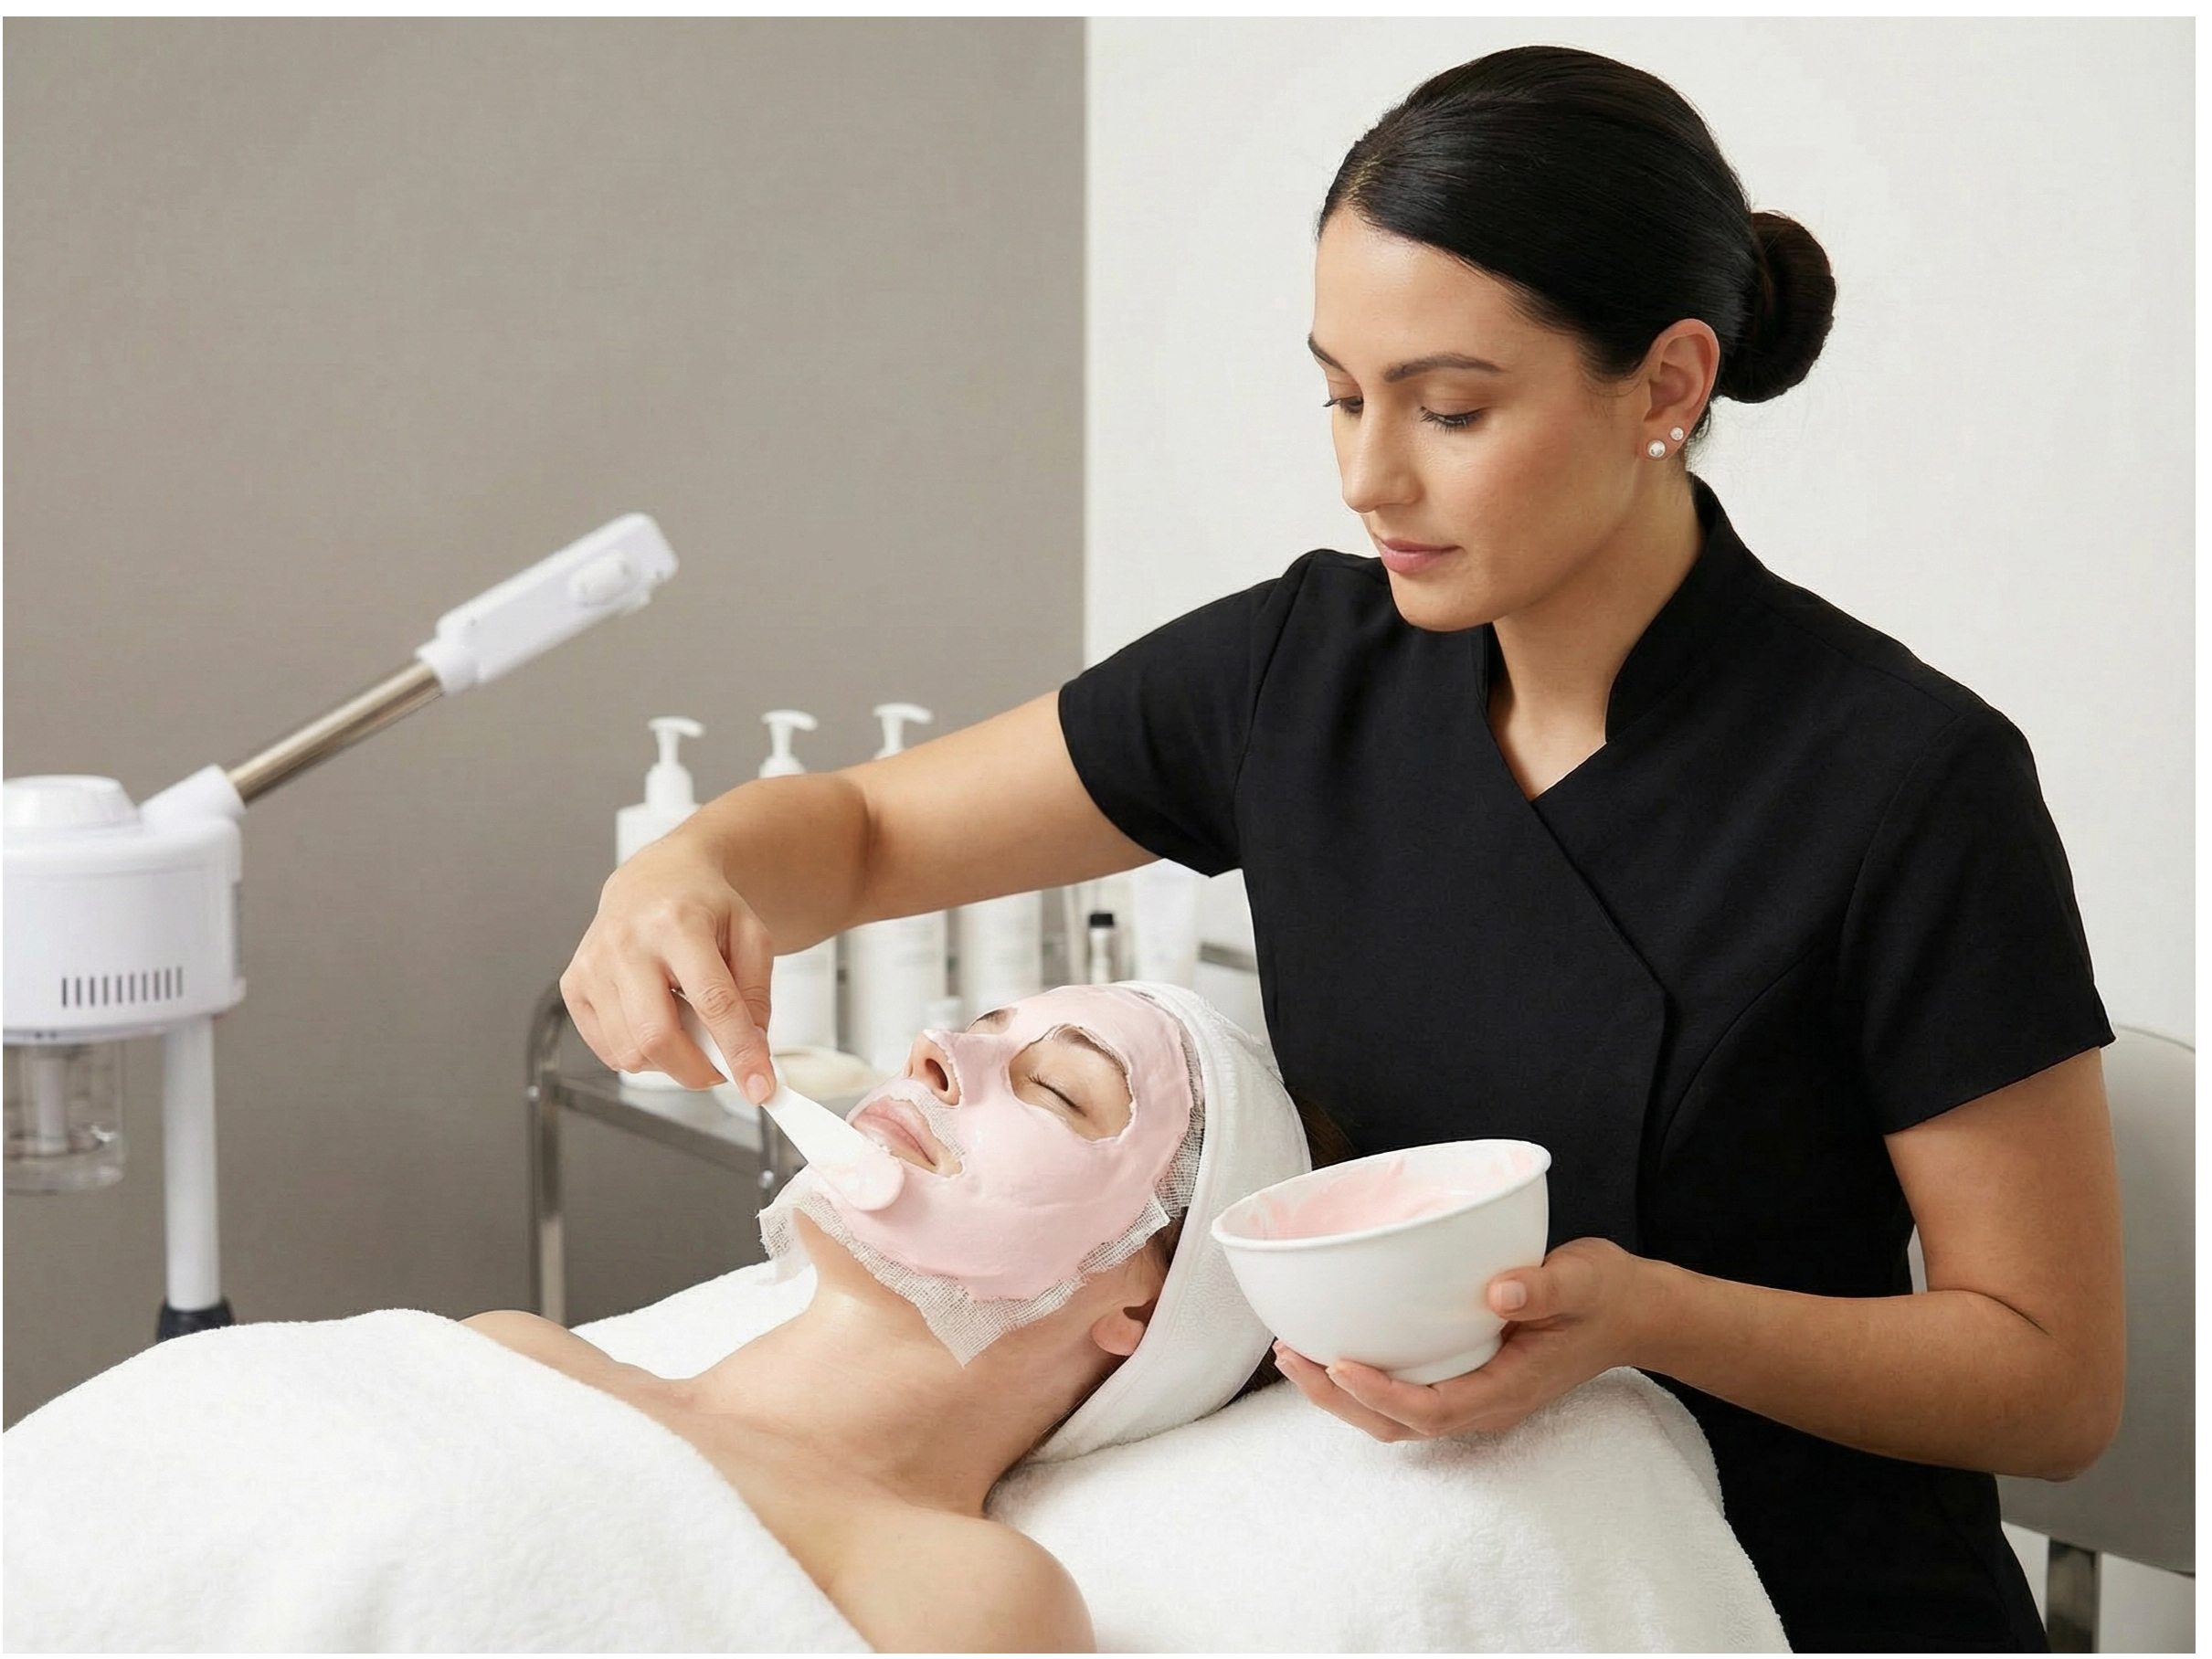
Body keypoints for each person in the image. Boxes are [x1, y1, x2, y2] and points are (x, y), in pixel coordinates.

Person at [560, 46, 2122, 1653]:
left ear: (1666, 384)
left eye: (1451, 408)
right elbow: (866, 829)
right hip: (1421, 1564)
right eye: (1339, 391)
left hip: (1783, 1597)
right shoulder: (1305, 672)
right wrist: (688, 876)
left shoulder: (1905, 781)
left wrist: (1641, 1320)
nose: (1369, 474)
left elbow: (2050, 1380)